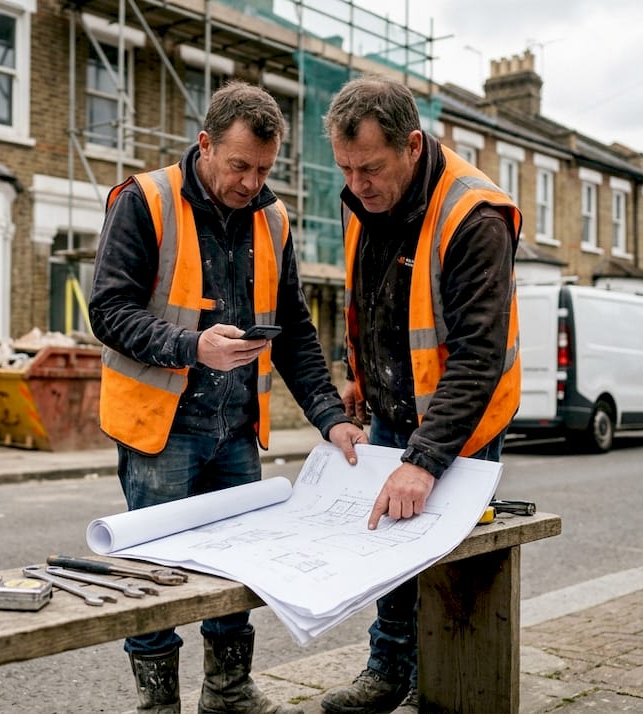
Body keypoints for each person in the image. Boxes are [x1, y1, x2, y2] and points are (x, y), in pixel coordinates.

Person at [89, 79, 367, 714]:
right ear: (205, 144)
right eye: (240, 165)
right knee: (154, 576)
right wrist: (192, 346)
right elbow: (108, 311)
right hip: (161, 430)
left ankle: (228, 692)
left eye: (264, 169)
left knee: (238, 570)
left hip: (237, 429)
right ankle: (159, 705)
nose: (251, 182)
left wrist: (330, 418)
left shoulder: (272, 218)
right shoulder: (144, 200)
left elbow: (294, 330)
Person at [318, 76, 522, 714]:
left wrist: (425, 459)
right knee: (389, 553)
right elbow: (374, 301)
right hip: (391, 410)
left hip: (461, 427)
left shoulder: (474, 216)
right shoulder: (366, 199)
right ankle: (389, 670)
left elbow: (479, 355)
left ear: (411, 145)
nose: (357, 184)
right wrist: (361, 374)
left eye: (371, 168)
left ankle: (449, 686)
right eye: (346, 169)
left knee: (452, 565)